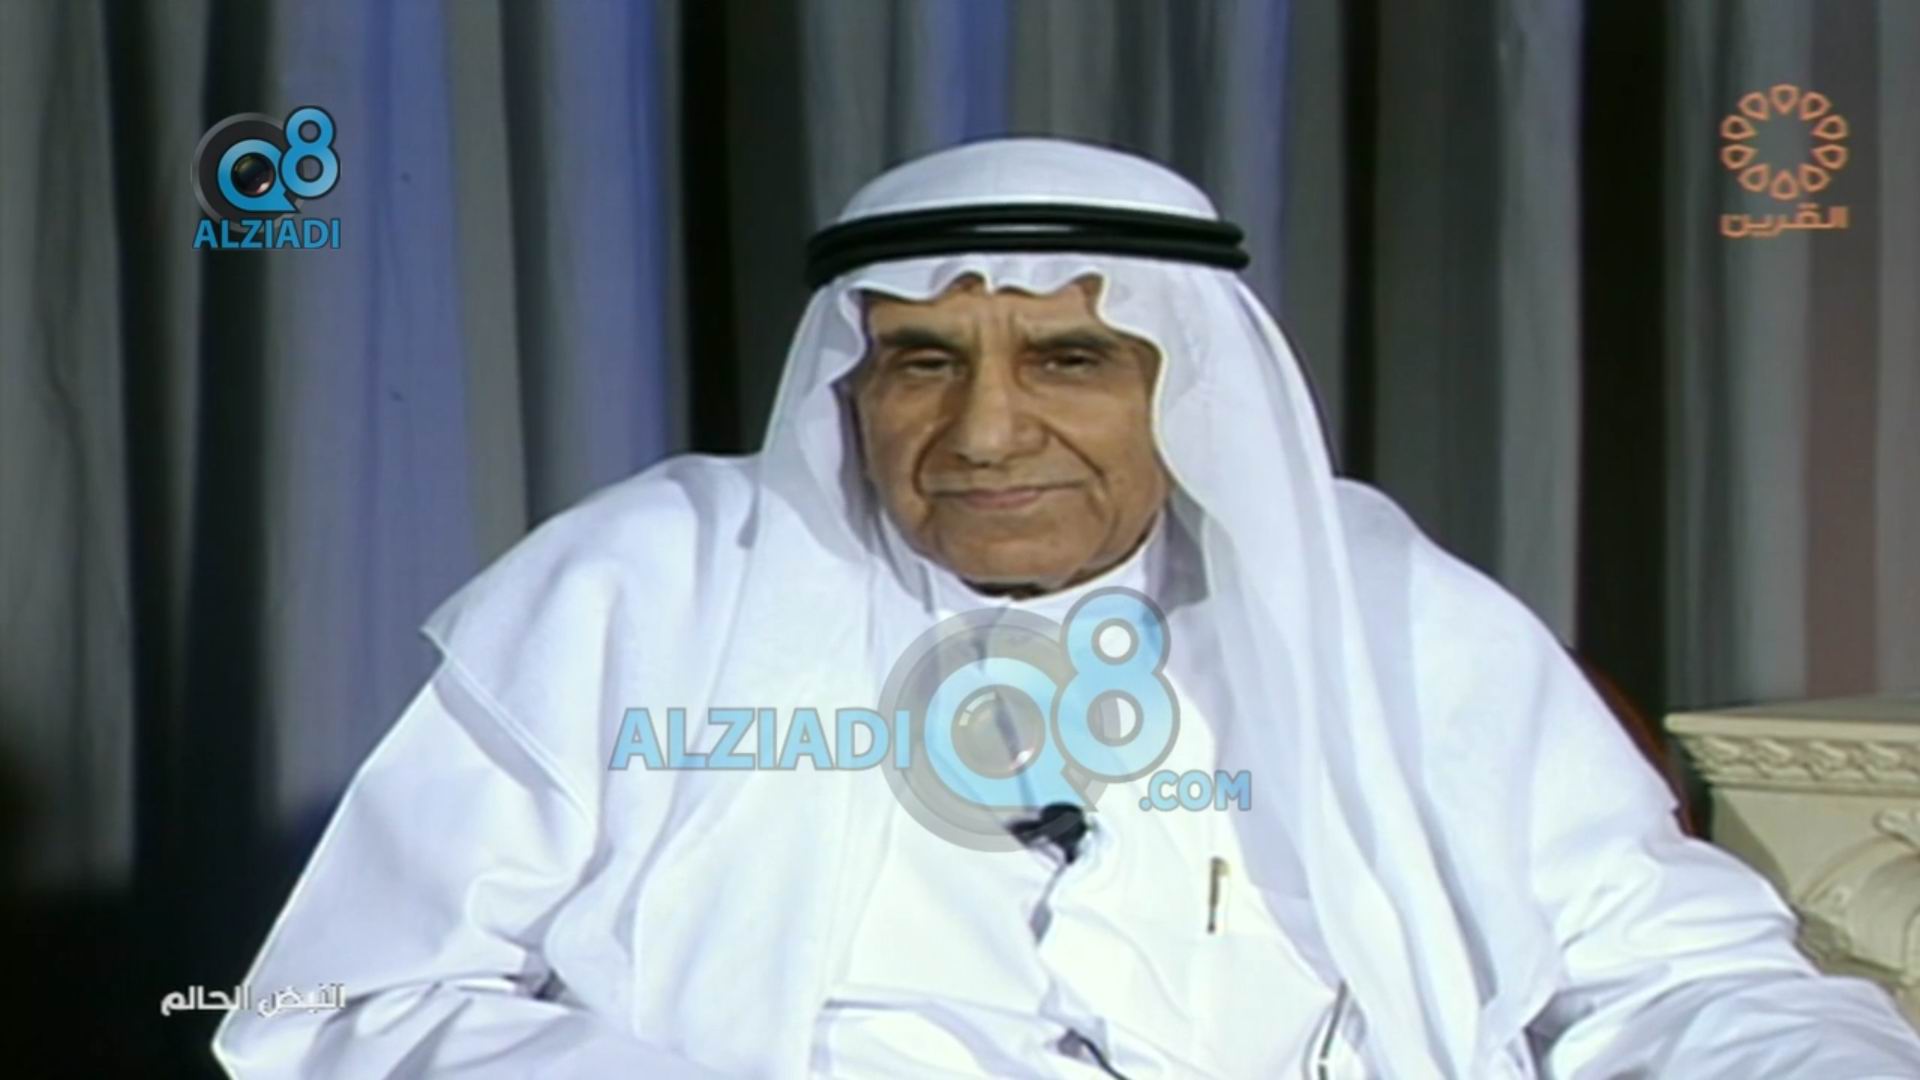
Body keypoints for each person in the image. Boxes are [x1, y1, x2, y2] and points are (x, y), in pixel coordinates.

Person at [213, 138, 1920, 1078]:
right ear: (851, 387)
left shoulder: (1392, 613)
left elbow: (1677, 976)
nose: (985, 434)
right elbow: (338, 1007)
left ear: (1189, 386)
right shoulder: (642, 590)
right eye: (923, 364)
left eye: (1072, 360)